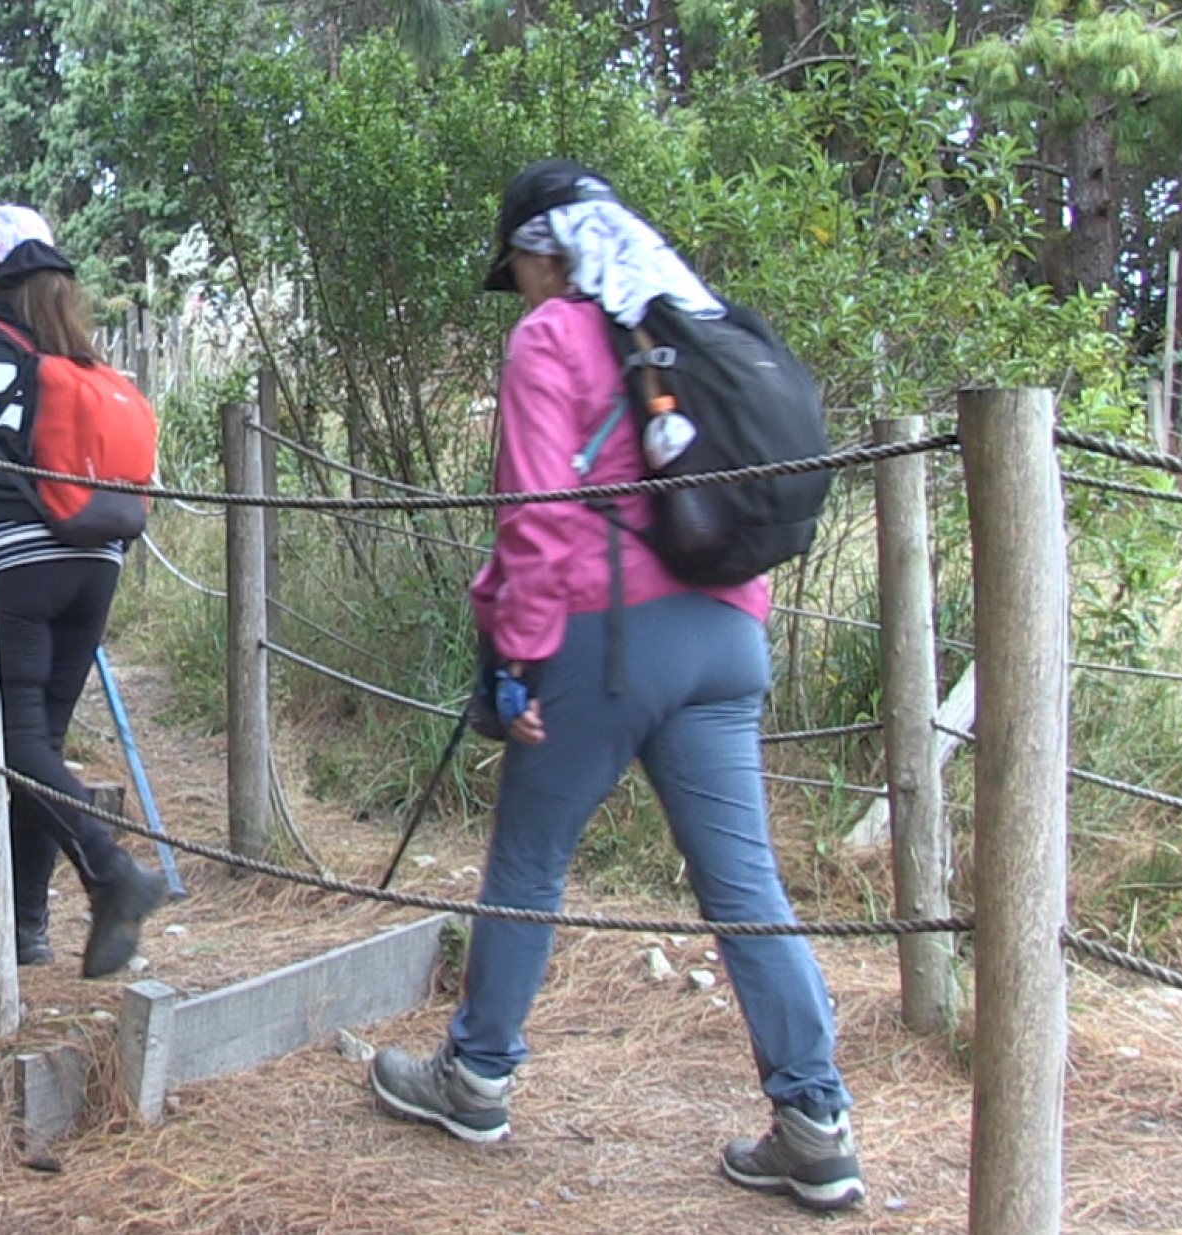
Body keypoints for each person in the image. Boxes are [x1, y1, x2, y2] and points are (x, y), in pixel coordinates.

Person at [367, 160, 866, 1213]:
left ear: (544, 252)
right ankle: (815, 1123)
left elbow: (538, 517)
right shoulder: (686, 322)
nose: (521, 286)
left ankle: (476, 1076)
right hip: (728, 633)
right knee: (746, 888)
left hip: (612, 637)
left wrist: (515, 656)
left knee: (529, 856)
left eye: (518, 267)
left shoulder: (552, 337)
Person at [0, 204, 167, 979]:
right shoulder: (79, 356)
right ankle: (27, 929)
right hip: (97, 559)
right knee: (39, 744)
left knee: (12, 742)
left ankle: (112, 871)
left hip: (16, 559)